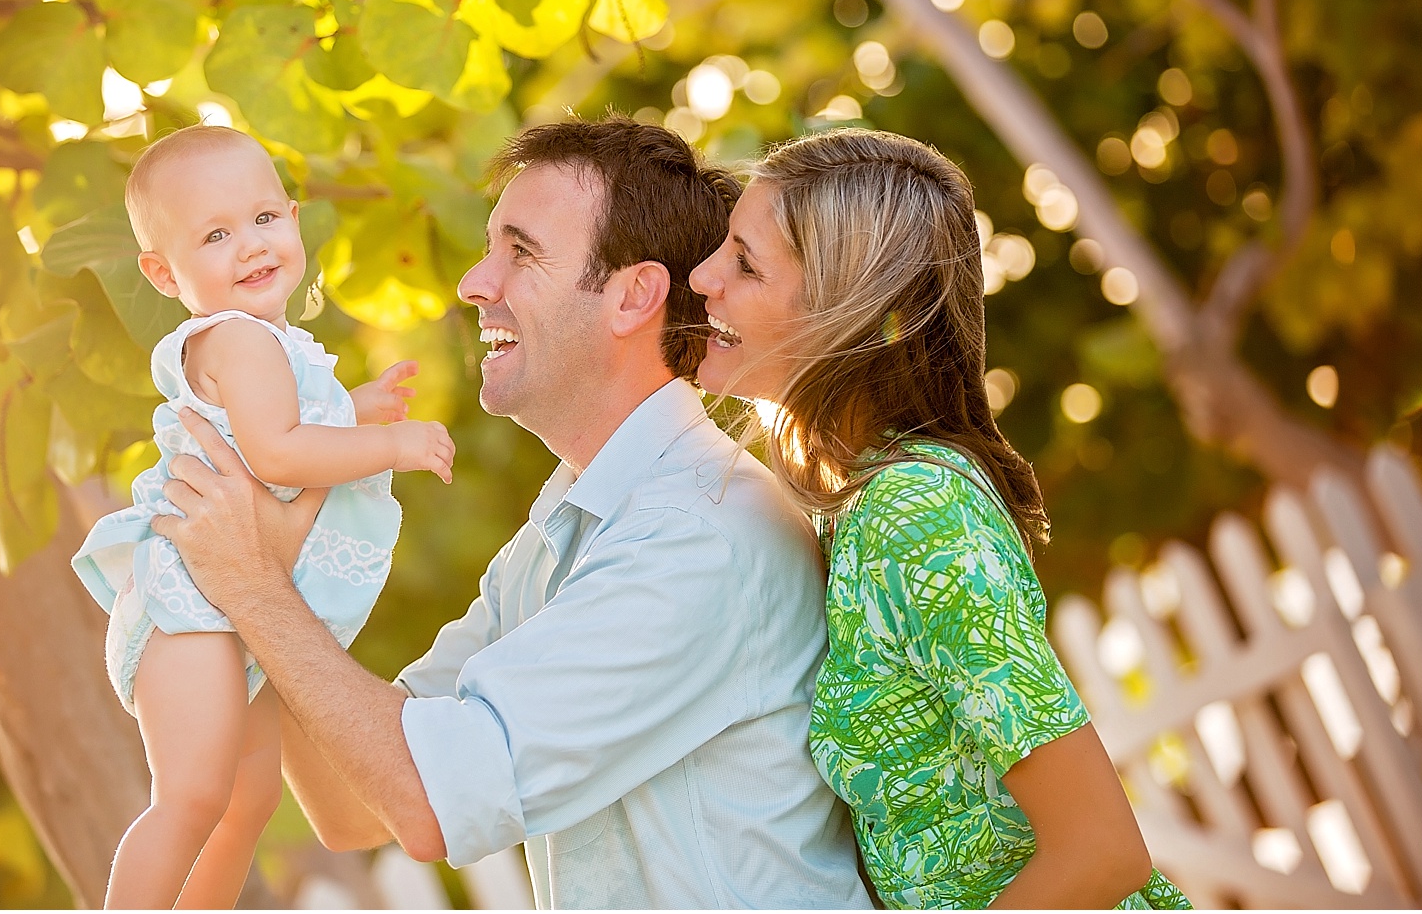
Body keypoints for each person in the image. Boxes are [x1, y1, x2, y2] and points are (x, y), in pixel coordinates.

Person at [151, 116, 874, 908]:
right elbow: (351, 802)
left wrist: (253, 582)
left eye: (520, 252)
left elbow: (428, 803)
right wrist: (250, 550)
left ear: (634, 295)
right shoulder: (565, 531)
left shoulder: (696, 533)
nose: (474, 282)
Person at [688, 127, 1190, 909]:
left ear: (850, 317)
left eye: (747, 263)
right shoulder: (845, 504)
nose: (703, 275)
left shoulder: (915, 515)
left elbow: (1102, 852)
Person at [70, 125, 455, 908]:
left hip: (225, 598)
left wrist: (353, 408)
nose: (249, 245)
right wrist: (391, 441)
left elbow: (286, 427)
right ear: (162, 271)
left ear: (294, 216)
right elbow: (278, 454)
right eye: (215, 235)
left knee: (245, 805)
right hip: (192, 600)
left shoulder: (274, 344)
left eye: (264, 219)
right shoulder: (236, 339)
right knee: (191, 796)